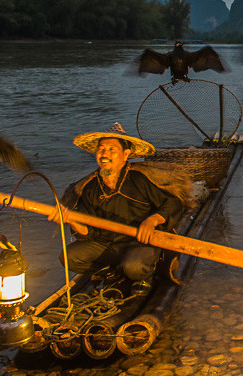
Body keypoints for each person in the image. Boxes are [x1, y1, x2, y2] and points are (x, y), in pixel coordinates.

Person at [54, 123, 191, 295]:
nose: (105, 154)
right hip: (108, 245)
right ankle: (111, 273)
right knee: (69, 257)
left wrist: (152, 220)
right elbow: (87, 233)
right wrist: (71, 220)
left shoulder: (139, 179)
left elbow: (172, 204)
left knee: (134, 267)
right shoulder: (90, 187)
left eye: (112, 149)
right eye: (101, 149)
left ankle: (143, 275)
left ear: (125, 155)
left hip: (140, 243)